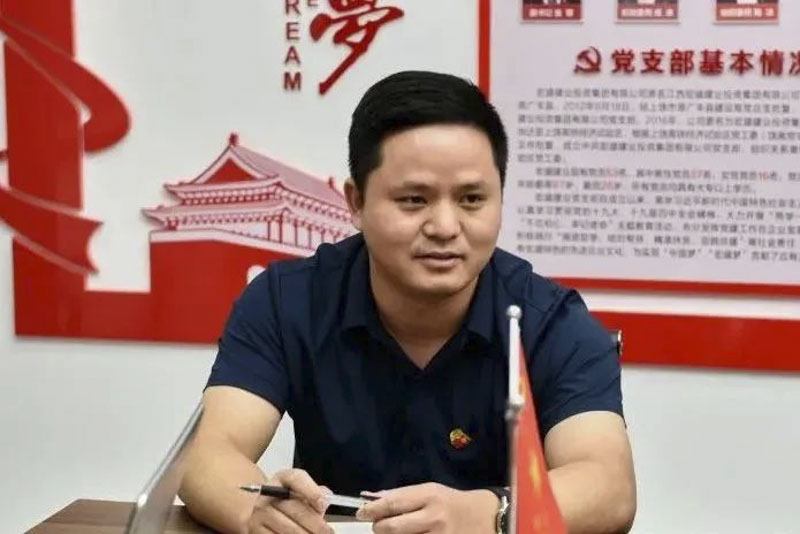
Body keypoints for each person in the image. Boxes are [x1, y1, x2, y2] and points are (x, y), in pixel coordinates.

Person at [179, 71, 636, 534]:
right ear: (356, 203)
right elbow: (207, 453)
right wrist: (255, 513)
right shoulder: (287, 301)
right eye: (414, 200)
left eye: (472, 199)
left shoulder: (548, 321)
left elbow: (608, 486)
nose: (445, 227)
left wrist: (490, 514)